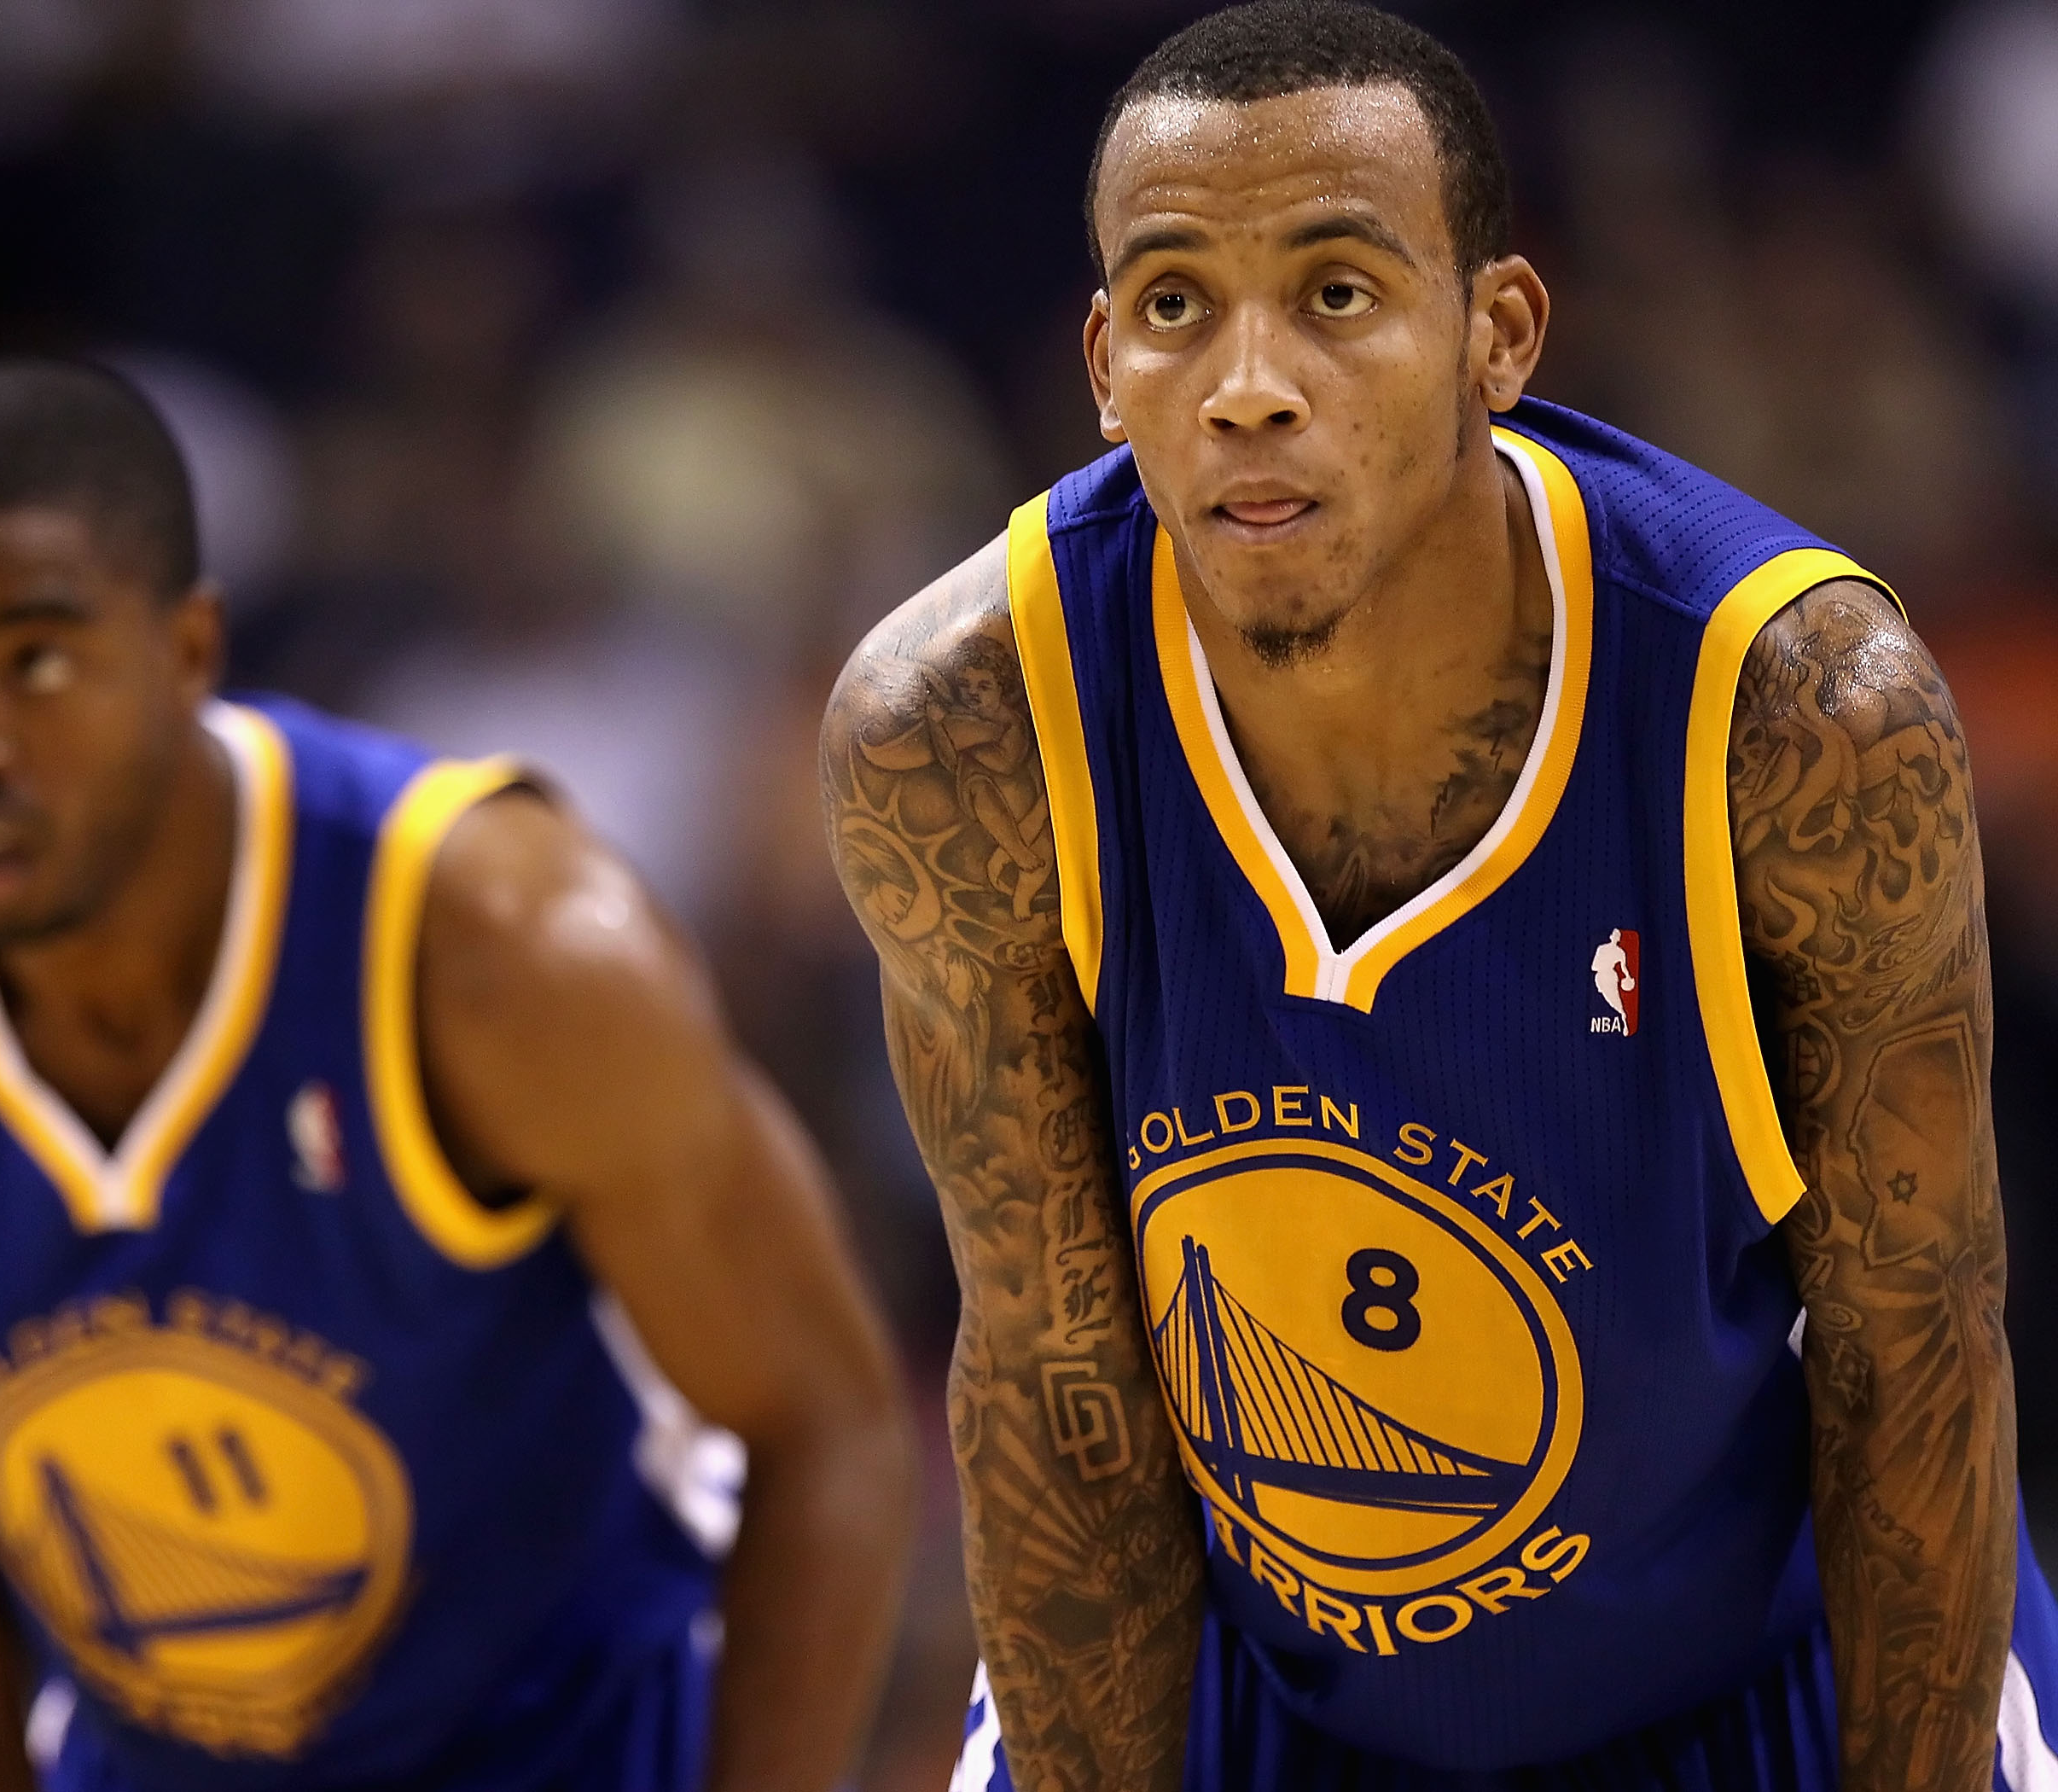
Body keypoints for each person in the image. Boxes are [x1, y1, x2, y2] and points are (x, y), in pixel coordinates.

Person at [821, 3, 2058, 1788]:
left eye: (1335, 292)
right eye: (1176, 305)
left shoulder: (1797, 713)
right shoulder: (962, 727)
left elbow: (1914, 1351)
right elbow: (1058, 1396)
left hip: (1764, 1674)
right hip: (1253, 1682)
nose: (1249, 380)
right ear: (1103, 363)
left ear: (1500, 334)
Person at [0, 359, 917, 1792]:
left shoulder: (507, 953)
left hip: (582, 1744)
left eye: (34, 660)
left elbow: (827, 1424)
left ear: (189, 650)